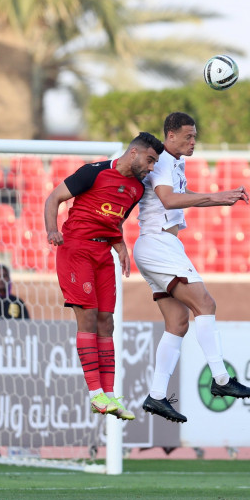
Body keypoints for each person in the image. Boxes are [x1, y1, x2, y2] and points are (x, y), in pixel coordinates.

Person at [133, 112, 250, 424]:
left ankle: (157, 395)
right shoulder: (162, 159)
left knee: (177, 322)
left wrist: (217, 200)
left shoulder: (176, 162)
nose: (193, 142)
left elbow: (175, 198)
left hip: (158, 246)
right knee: (206, 304)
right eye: (188, 136)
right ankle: (220, 379)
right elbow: (166, 199)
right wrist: (216, 196)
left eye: (195, 136)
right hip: (158, 243)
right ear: (170, 135)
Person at [44, 132, 165, 422]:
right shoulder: (93, 172)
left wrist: (119, 243)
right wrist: (51, 229)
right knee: (88, 317)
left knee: (106, 322)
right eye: (149, 160)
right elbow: (54, 197)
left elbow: (113, 219)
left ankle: (109, 395)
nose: (151, 168)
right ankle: (95, 395)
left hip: (103, 255)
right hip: (76, 250)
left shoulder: (136, 189)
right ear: (133, 153)